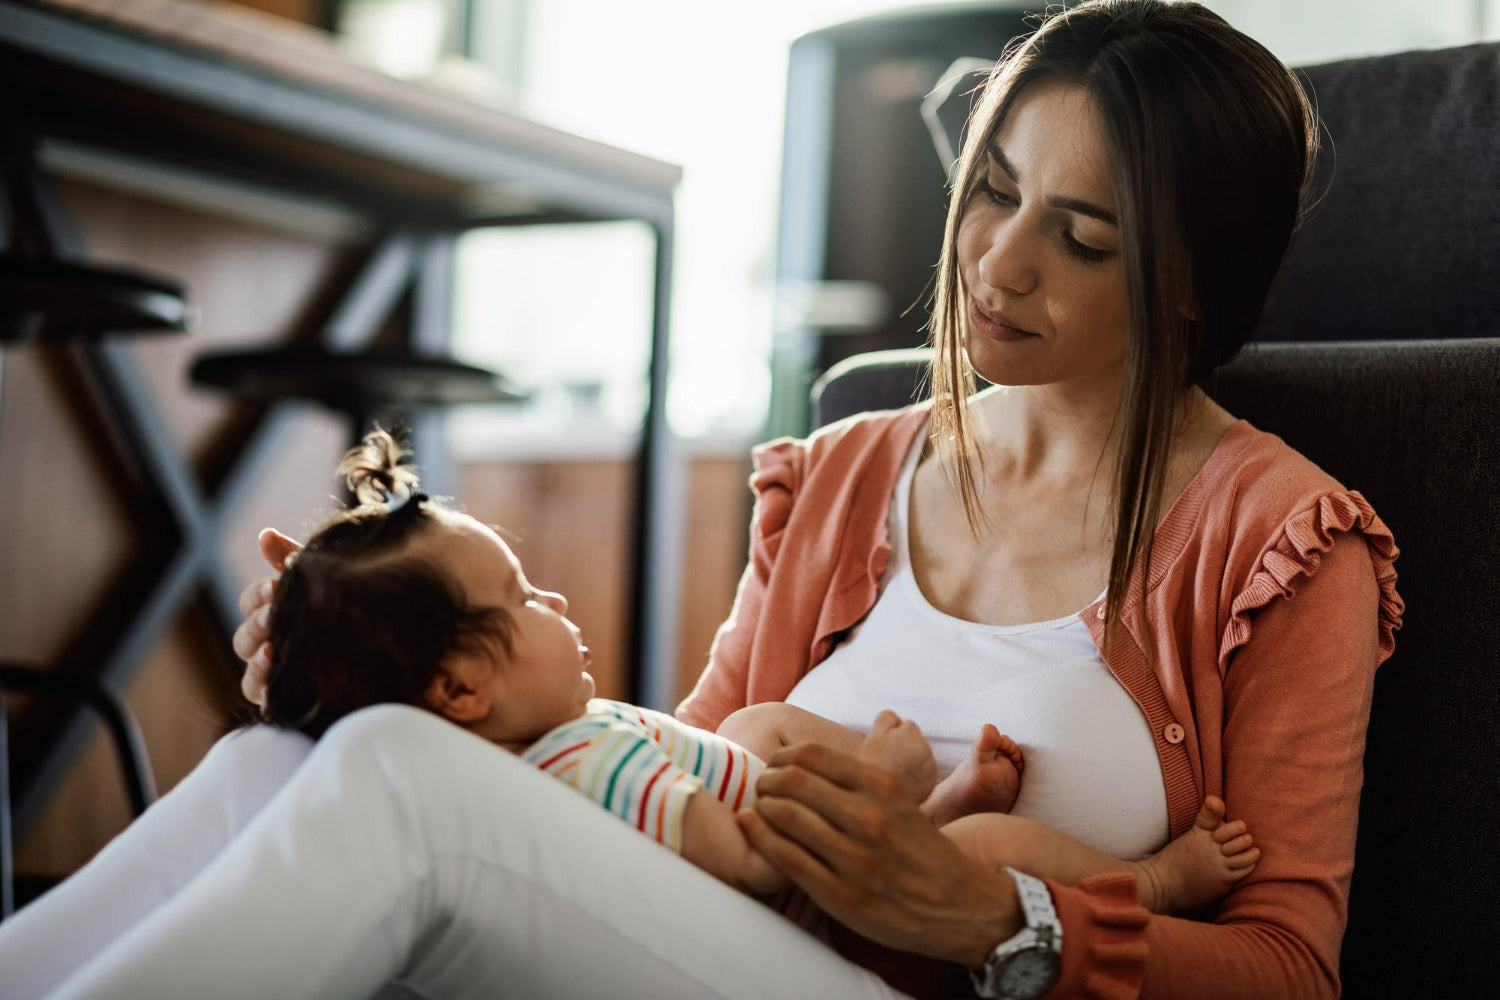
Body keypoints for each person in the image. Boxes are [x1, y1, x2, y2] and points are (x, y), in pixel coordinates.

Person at [0, 1, 1401, 998]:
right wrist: (389, 661)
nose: (997, 265)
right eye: (995, 192)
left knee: (396, 782)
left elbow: (1286, 964)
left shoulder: (1281, 542)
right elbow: (669, 763)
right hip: (731, 937)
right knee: (286, 758)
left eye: (1079, 238)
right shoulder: (853, 465)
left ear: (1193, 284)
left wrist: (1004, 919)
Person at [262, 426, 1256, 916]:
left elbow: (698, 759)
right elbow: (747, 871)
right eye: (521, 601)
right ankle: (1154, 878)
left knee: (759, 725)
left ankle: (936, 812)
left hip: (771, 837)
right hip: (779, 921)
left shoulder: (549, 751)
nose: (554, 603)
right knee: (995, 840)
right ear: (459, 693)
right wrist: (887, 788)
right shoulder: (576, 769)